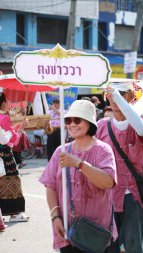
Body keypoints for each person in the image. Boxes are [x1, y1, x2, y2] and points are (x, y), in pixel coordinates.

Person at [39, 100, 117, 252]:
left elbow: (107, 182)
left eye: (77, 120)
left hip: (96, 231)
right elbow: (51, 186)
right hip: (67, 231)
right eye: (68, 120)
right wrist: (55, 216)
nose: (72, 124)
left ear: (89, 123)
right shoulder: (61, 151)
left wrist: (79, 164)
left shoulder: (103, 150)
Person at [96, 81, 143, 253]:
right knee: (108, 246)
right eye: (111, 95)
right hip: (106, 194)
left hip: (130, 195)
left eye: (120, 94)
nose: (114, 98)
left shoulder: (140, 124)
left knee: (133, 245)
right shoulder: (101, 126)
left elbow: (142, 131)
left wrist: (119, 99)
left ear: (129, 96)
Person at [0, 92, 30, 222]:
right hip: (5, 154)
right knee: (13, 181)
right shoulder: (3, 117)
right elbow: (11, 139)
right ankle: (15, 213)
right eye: (7, 101)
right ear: (2, 103)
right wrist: (21, 128)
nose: (9, 104)